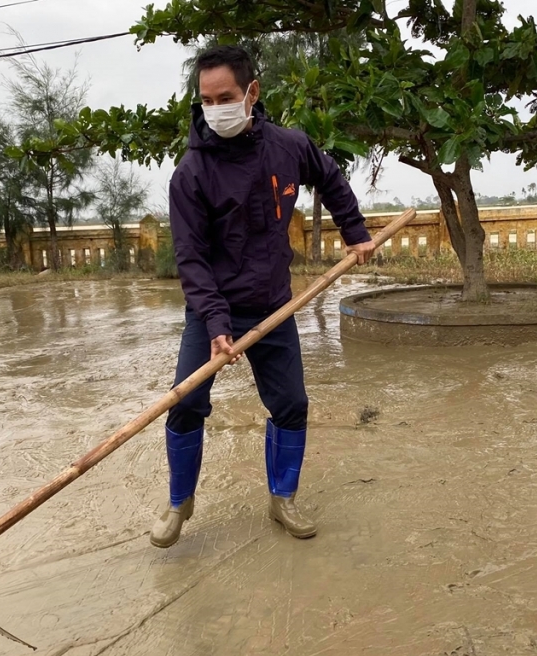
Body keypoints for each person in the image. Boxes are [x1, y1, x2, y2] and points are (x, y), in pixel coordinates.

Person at [151, 45, 375, 548]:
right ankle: (178, 503)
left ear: (252, 92)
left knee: (291, 404)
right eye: (206, 100)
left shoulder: (288, 147)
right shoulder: (191, 173)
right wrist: (214, 324)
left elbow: (330, 177)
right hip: (214, 311)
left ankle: (282, 499)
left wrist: (355, 231)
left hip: (275, 307)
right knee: (186, 405)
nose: (215, 109)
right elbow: (191, 258)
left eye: (225, 96)